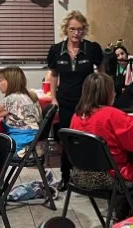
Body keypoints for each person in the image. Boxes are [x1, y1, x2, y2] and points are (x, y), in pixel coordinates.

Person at [69, 72, 133, 218]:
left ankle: (124, 212)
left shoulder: (77, 115)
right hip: (108, 177)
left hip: (79, 174)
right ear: (108, 93)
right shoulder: (111, 114)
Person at [46, 10, 104, 187]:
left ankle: (89, 177)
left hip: (87, 101)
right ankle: (66, 176)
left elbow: (102, 72)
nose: (76, 33)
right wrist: (53, 98)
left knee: (88, 138)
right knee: (67, 140)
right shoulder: (56, 50)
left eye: (79, 29)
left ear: (84, 29)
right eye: (72, 29)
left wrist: (101, 96)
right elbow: (54, 75)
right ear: (66, 29)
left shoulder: (92, 48)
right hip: (65, 101)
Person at [0, 66, 42, 154]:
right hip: (33, 142)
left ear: (10, 82)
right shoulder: (29, 96)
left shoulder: (13, 99)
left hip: (21, 144)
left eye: (1, 80)